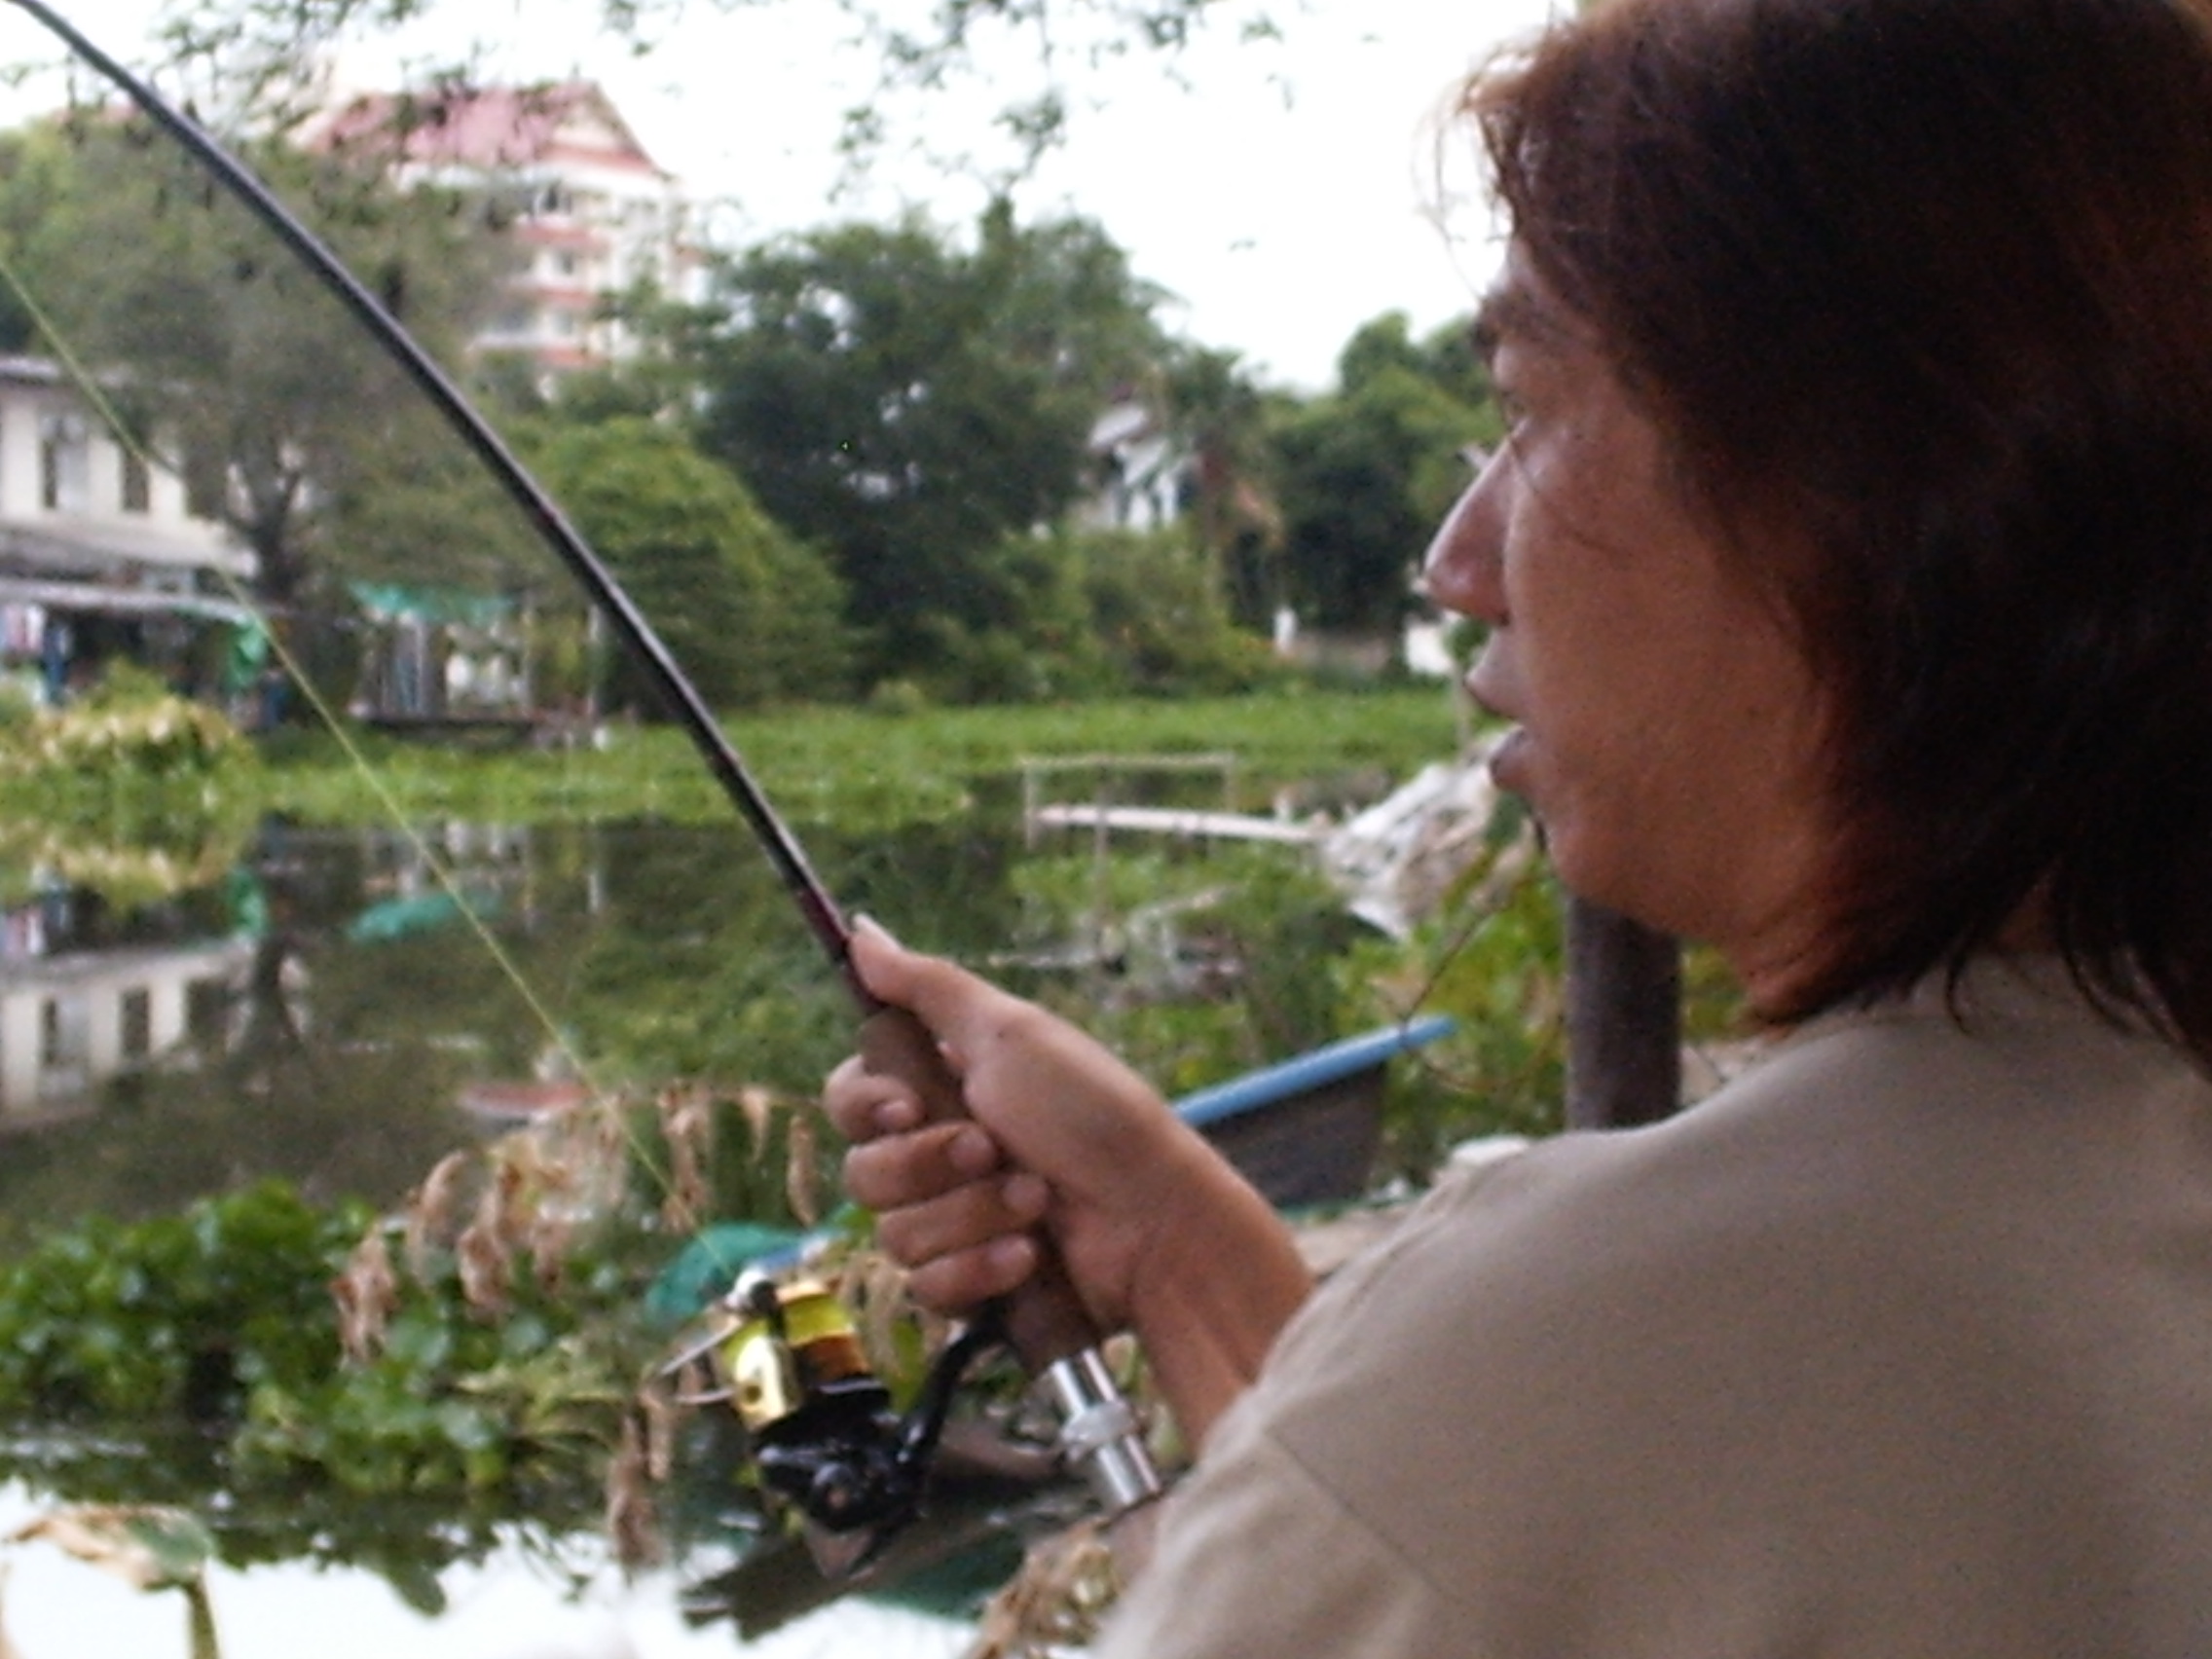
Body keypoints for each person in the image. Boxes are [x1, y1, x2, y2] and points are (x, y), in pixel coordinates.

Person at [825, 0, 2212, 1649]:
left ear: (1857, 493)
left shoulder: (1626, 1325)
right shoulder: (2123, 1154)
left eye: (1529, 408)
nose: (1458, 558)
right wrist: (1185, 1254)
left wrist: (1398, 1359)